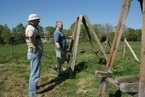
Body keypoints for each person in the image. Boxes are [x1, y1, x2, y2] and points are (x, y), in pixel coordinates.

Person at [25, 13, 43, 97]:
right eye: (37, 20)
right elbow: (31, 37)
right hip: (34, 52)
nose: (38, 21)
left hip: (34, 52)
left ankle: (34, 88)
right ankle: (32, 94)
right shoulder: (31, 28)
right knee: (35, 74)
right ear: (32, 21)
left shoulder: (32, 27)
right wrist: (37, 46)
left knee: (34, 71)